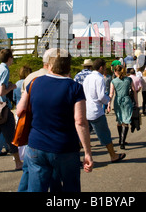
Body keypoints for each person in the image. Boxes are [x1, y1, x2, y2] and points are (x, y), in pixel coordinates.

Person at [16, 48, 93, 192]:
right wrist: (87, 152)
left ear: (50, 65)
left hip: (36, 145)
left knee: (36, 188)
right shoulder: (74, 87)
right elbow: (80, 121)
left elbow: (20, 110)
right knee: (71, 187)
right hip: (65, 147)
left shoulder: (34, 83)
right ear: (68, 66)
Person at [83, 58, 126, 163]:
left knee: (84, 135)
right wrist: (108, 101)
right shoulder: (100, 78)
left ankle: (74, 156)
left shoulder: (87, 78)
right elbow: (101, 96)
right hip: (96, 111)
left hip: (86, 109)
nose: (106, 70)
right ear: (101, 67)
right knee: (105, 134)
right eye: (105, 68)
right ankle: (113, 155)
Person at [110, 65, 138, 149]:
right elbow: (134, 91)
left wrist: (108, 103)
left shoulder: (113, 81)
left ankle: (120, 138)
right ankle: (122, 141)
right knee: (126, 121)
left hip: (117, 101)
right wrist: (136, 103)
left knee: (119, 120)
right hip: (127, 100)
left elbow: (111, 93)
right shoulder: (129, 79)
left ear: (115, 72)